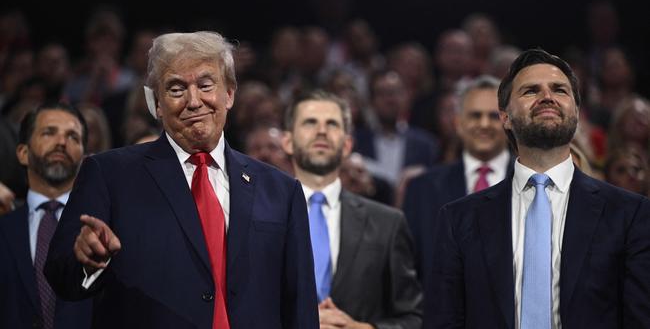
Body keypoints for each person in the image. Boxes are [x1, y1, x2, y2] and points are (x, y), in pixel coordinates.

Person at [45, 31, 318, 329]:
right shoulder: (109, 175)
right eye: (176, 89)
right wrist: (85, 260)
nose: (193, 101)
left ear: (229, 93)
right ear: (158, 104)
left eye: (205, 85)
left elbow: (300, 306)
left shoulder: (281, 190)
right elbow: (61, 274)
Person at [430, 49, 650, 328]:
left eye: (559, 90)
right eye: (531, 91)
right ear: (505, 117)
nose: (547, 96)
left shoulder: (631, 215)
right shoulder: (458, 219)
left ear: (577, 112)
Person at [282, 90, 422, 328]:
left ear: (347, 145)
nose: (322, 131)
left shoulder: (387, 224)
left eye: (332, 124)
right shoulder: (259, 217)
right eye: (310, 122)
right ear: (287, 141)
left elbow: (414, 318)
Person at [402, 75, 512, 324]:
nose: (484, 124)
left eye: (494, 116)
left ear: (509, 122)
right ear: (458, 123)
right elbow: (408, 272)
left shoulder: (533, 184)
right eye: (474, 116)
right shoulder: (422, 189)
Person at [0, 102, 92, 329]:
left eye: (73, 137)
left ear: (85, 158)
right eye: (49, 132)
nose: (62, 142)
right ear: (23, 153)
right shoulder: (3, 226)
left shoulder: (103, 228)